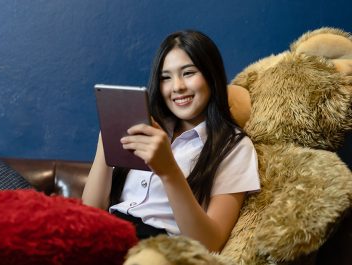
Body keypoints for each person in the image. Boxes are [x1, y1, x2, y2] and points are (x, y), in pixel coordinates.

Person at [82, 30, 260, 252]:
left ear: (211, 77)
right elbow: (89, 214)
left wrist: (168, 171)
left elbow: (210, 243)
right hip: (106, 236)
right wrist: (104, 146)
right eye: (166, 77)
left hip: (156, 249)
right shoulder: (145, 126)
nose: (177, 87)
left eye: (188, 73)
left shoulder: (234, 146)